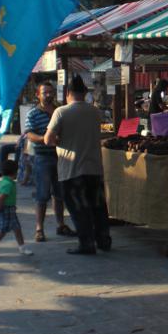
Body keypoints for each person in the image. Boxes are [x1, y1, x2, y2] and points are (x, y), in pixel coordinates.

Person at [44, 74, 111, 256]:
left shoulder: (61, 112)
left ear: (68, 93)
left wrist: (60, 141)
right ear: (85, 92)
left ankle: (86, 243)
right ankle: (104, 240)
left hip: (72, 169)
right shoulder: (95, 112)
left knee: (79, 209)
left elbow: (48, 139)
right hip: (94, 167)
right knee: (98, 207)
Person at [24, 82, 75, 242]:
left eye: (51, 92)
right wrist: (46, 139)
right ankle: (39, 229)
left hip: (61, 156)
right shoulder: (33, 113)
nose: (48, 95)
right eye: (45, 92)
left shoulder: (60, 111)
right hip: (42, 158)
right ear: (38, 95)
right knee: (42, 194)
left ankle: (61, 225)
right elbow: (29, 134)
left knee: (59, 194)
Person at [0, 159, 33, 259]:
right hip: (5, 210)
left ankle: (22, 247)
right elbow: (0, 198)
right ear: (14, 172)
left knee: (17, 228)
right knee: (3, 230)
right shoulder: (8, 184)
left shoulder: (6, 182)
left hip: (10, 209)